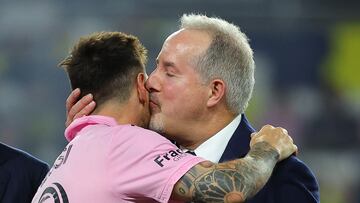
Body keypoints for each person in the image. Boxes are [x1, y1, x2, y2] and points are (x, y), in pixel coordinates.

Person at [68, 14, 320, 202]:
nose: (150, 81)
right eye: (155, 67)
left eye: (169, 72)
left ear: (214, 92)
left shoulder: (283, 180)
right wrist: (91, 145)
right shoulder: (137, 157)